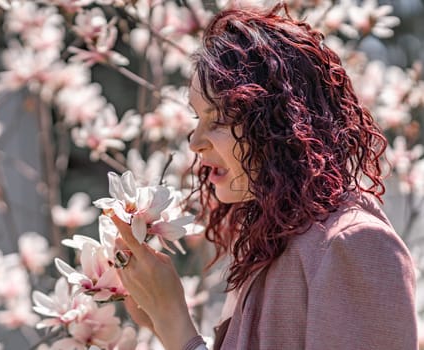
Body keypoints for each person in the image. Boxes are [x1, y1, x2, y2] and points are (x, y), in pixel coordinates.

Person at [111, 4, 418, 350]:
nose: (195, 142)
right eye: (197, 119)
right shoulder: (274, 248)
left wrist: (176, 323)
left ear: (282, 123)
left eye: (220, 119)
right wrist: (163, 321)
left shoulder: (354, 245)